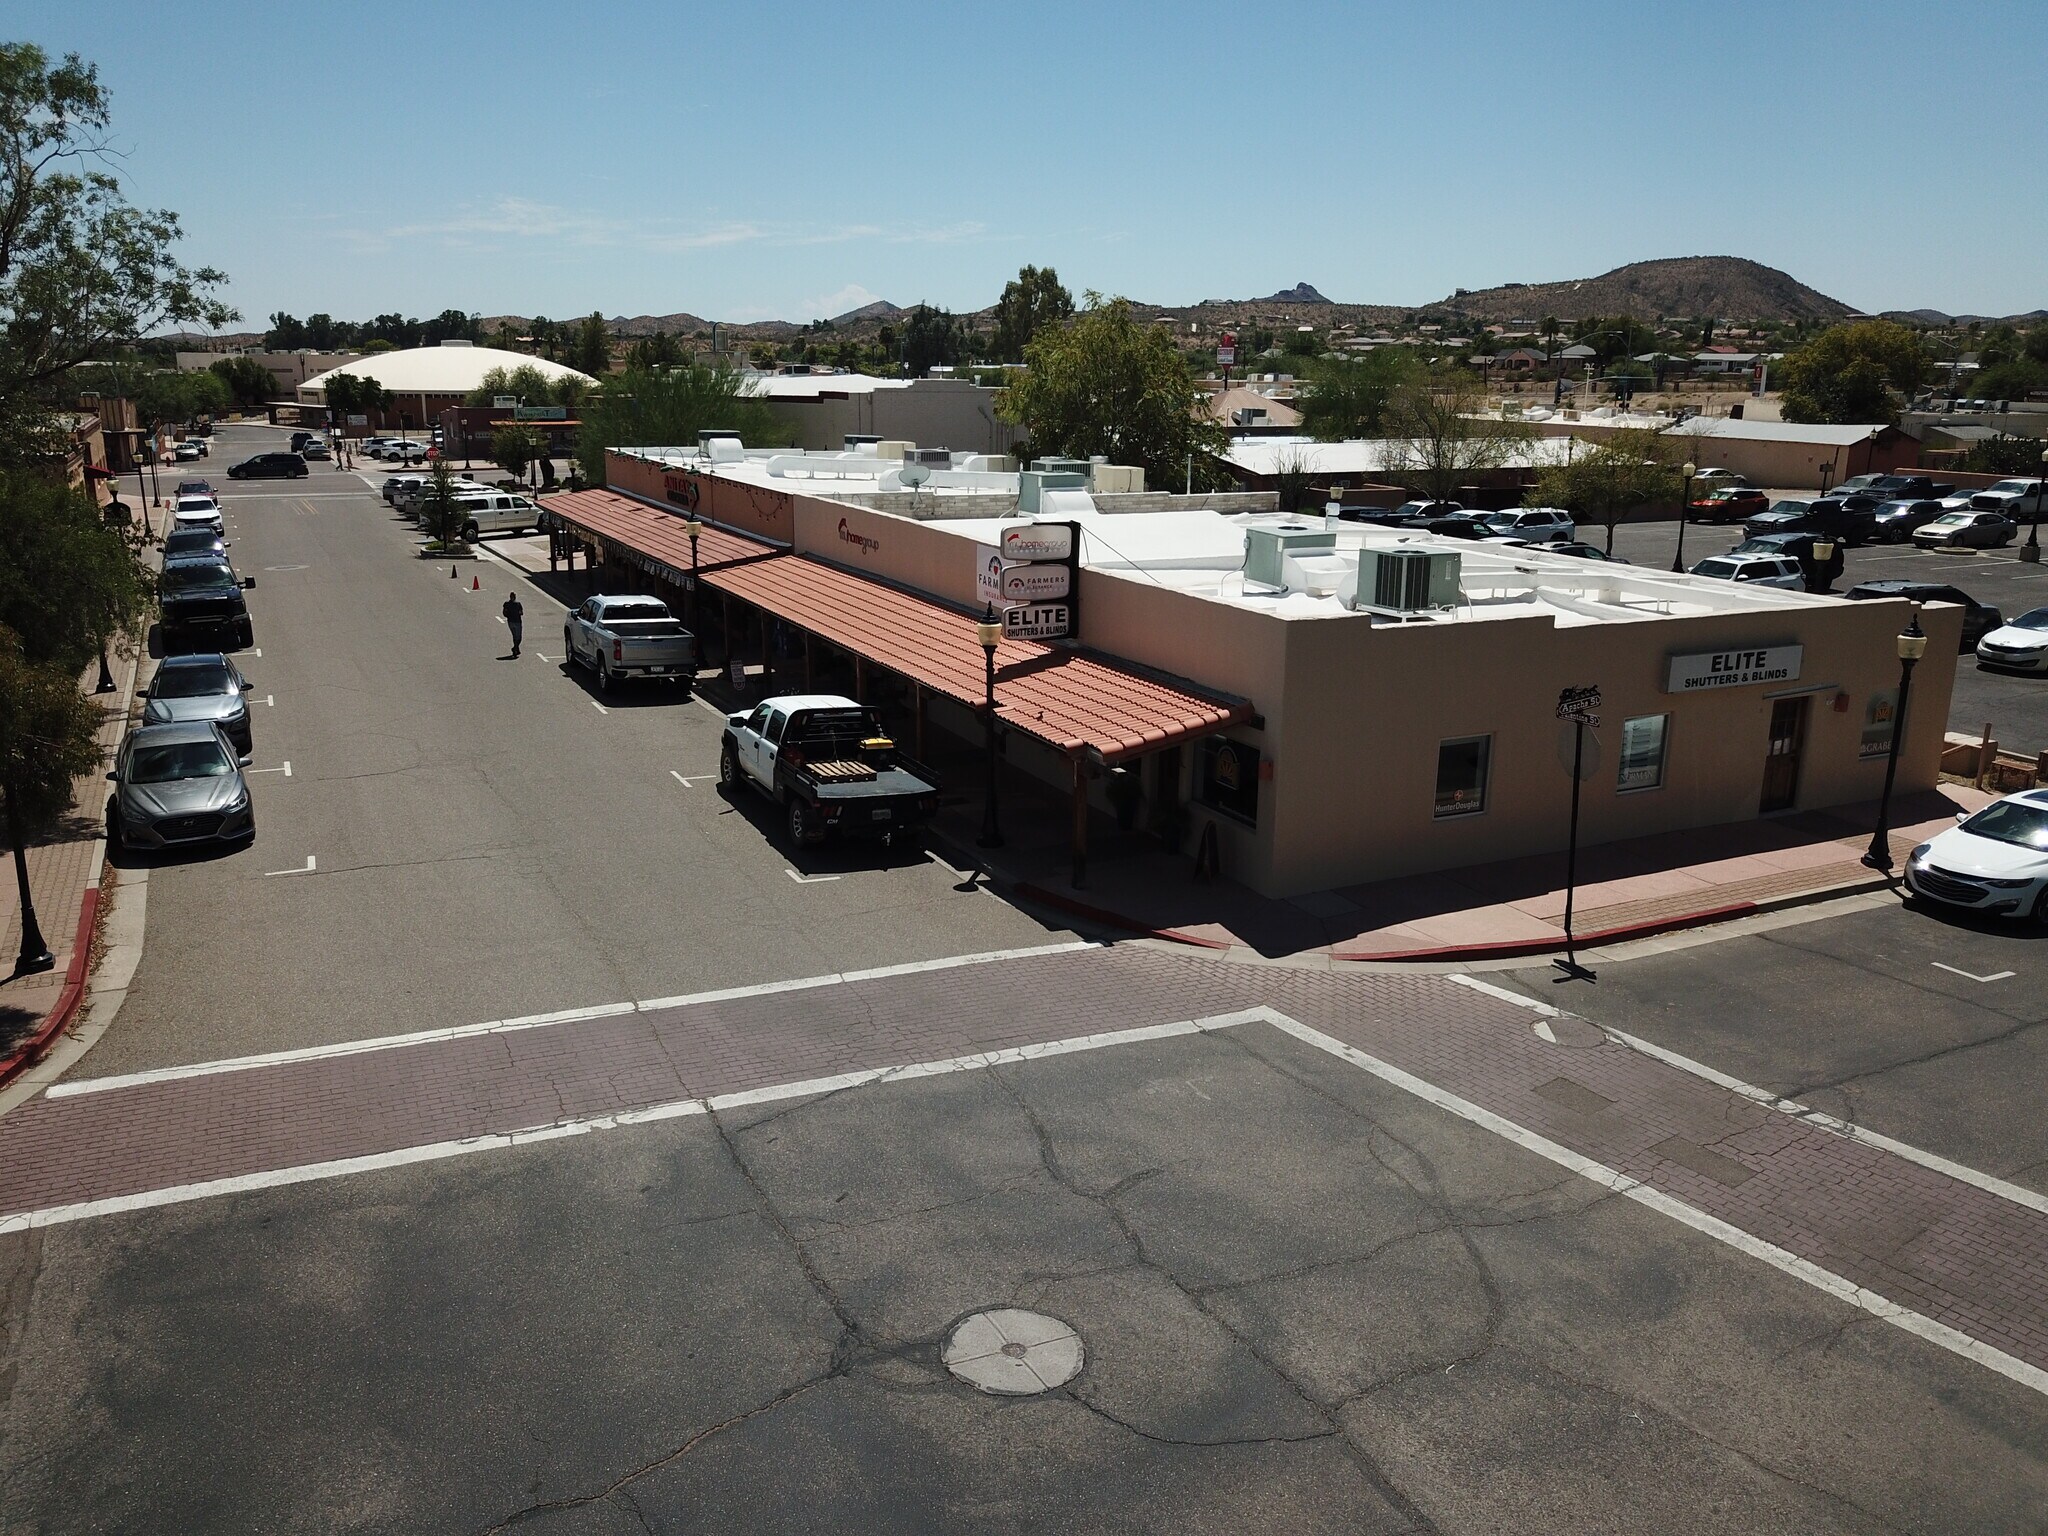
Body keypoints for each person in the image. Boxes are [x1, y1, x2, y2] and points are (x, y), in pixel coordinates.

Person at [503, 592, 524, 657]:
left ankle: (516, 649)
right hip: (517, 621)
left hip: (510, 622)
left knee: (514, 636)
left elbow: (504, 613)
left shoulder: (506, 604)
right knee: (519, 637)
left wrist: (509, 615)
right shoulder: (518, 604)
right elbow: (521, 613)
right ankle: (515, 648)